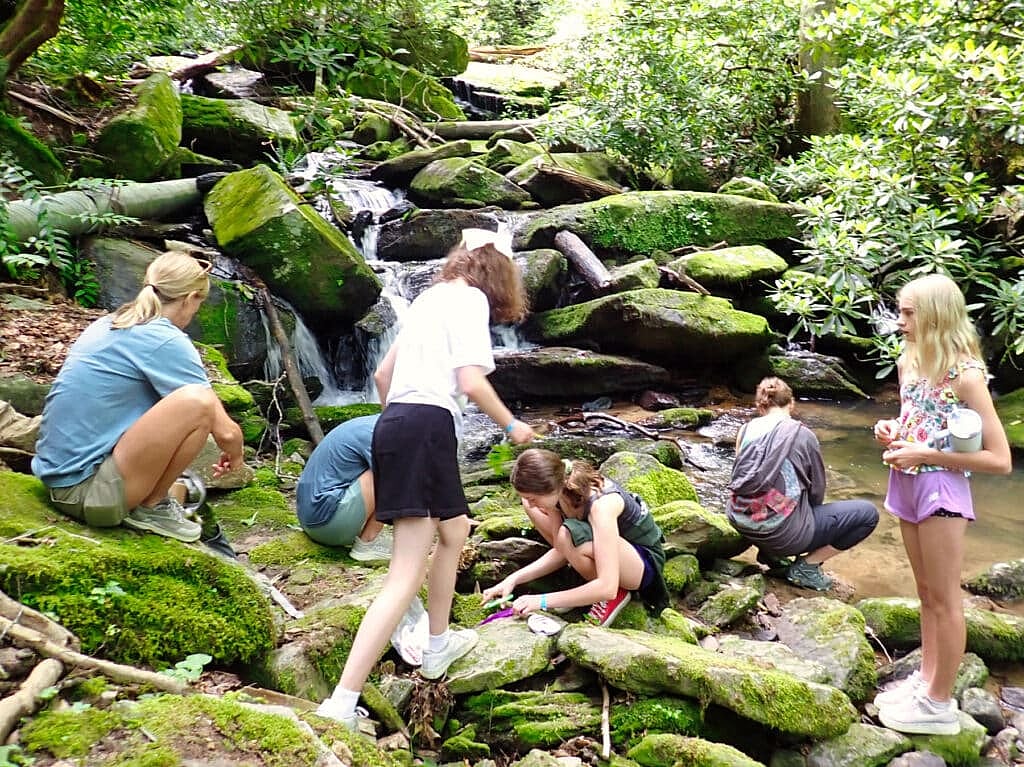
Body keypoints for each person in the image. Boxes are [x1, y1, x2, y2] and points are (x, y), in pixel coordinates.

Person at [315, 228, 535, 731]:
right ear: (498, 272)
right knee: (405, 573)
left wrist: (399, 424)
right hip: (426, 425)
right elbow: (470, 381)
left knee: (455, 530)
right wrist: (511, 425)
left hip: (395, 422)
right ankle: (342, 702)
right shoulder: (471, 300)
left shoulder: (429, 298)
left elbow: (382, 377)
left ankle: (437, 645)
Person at [872, 274, 1011, 736]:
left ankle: (939, 704)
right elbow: (917, 422)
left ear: (935, 316)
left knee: (947, 600)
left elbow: (999, 459)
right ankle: (925, 682)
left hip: (942, 490)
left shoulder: (966, 376)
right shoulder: (909, 363)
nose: (900, 321)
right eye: (901, 311)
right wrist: (892, 430)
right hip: (905, 482)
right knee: (926, 594)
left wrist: (925, 455)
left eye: (908, 313)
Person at [32, 252, 244, 543]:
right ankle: (151, 508)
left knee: (191, 405)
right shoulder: (166, 340)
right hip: (88, 495)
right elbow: (226, 432)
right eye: (199, 303)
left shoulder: (110, 322)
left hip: (60, 480)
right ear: (189, 298)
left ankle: (153, 501)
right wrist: (236, 456)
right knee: (198, 402)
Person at [481, 448, 668, 627]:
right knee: (565, 534)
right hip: (613, 551)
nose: (530, 504)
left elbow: (606, 586)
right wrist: (513, 579)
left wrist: (542, 601)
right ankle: (587, 589)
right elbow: (561, 551)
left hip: (643, 564)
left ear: (550, 487)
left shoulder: (601, 507)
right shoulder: (559, 491)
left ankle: (615, 594)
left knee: (568, 534)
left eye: (533, 498)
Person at [726, 377, 879, 591]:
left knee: (774, 496)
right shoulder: (802, 435)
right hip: (782, 535)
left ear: (760, 407)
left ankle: (770, 553)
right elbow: (817, 491)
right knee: (868, 514)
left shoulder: (745, 430)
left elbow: (744, 480)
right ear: (791, 404)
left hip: (740, 520)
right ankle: (807, 566)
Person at [296, 413, 392, 562]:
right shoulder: (379, 432)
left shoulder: (372, 424)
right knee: (394, 474)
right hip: (327, 523)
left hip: (312, 520)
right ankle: (367, 543)